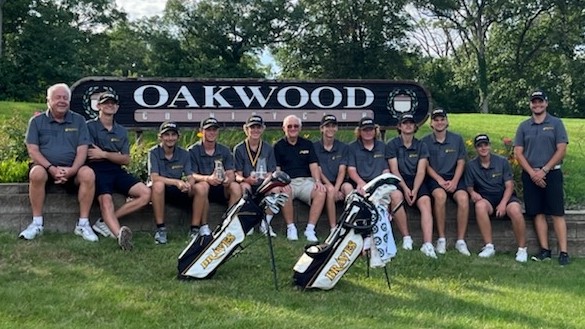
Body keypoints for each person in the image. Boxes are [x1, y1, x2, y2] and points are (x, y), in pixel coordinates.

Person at [20, 83, 97, 242]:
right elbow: (33, 150)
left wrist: (72, 170)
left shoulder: (79, 121)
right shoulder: (36, 121)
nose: (62, 101)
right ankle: (37, 224)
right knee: (36, 173)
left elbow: (83, 149)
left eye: (65, 98)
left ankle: (83, 224)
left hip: (73, 169)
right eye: (58, 97)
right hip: (45, 168)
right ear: (48, 100)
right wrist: (51, 168)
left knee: (88, 174)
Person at [87, 92, 151, 251]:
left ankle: (105, 221)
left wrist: (104, 154)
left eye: (113, 103)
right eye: (106, 103)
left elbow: (126, 160)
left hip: (116, 170)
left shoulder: (121, 130)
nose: (110, 105)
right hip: (97, 170)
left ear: (117, 107)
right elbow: (90, 154)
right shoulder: (89, 126)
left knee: (145, 193)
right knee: (106, 200)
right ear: (98, 106)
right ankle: (119, 236)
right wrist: (114, 156)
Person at [514, 90, 570, 265]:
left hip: (551, 173)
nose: (537, 105)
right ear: (530, 104)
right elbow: (518, 152)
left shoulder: (556, 123)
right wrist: (532, 173)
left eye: (540, 102)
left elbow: (561, 149)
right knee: (537, 213)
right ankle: (545, 250)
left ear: (546, 103)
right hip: (531, 175)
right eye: (534, 102)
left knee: (556, 213)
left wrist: (544, 170)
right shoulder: (524, 126)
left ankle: (564, 253)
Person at [347, 117, 412, 250]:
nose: (368, 132)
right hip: (361, 183)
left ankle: (406, 237)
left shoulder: (383, 146)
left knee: (397, 195)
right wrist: (362, 184)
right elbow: (351, 170)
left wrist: (379, 186)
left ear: (375, 130)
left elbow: (386, 169)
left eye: (370, 129)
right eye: (365, 130)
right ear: (359, 131)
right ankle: (360, 236)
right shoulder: (352, 147)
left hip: (380, 184)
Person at [465, 134, 527, 262]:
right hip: (486, 197)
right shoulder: (471, 166)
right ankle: (489, 246)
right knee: (480, 206)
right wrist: (472, 193)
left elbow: (509, 185)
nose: (483, 148)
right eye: (480, 146)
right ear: (476, 149)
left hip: (505, 196)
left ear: (490, 146)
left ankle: (522, 249)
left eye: (485, 145)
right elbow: (469, 186)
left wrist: (503, 203)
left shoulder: (502, 161)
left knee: (515, 210)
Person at [421, 108, 471, 256]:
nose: (439, 122)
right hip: (435, 179)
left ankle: (460, 241)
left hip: (454, 177)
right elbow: (426, 165)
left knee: (463, 198)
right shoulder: (425, 141)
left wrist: (455, 181)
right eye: (436, 120)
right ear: (431, 123)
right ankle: (441, 239)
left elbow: (461, 161)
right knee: (440, 197)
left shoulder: (457, 139)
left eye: (442, 119)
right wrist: (439, 180)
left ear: (447, 121)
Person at [387, 114, 436, 258]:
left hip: (417, 180)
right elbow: (394, 170)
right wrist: (406, 189)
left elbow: (422, 170)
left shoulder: (421, 145)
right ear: (399, 126)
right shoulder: (392, 144)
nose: (408, 126)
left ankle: (427, 244)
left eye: (411, 123)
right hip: (398, 180)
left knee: (426, 202)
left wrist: (414, 189)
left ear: (415, 127)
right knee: (396, 197)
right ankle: (406, 237)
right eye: (405, 123)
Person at [274, 115, 325, 242]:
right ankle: (291, 228)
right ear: (284, 128)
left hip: (306, 181)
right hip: (288, 182)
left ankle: (310, 229)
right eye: (289, 126)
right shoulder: (278, 146)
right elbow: (277, 169)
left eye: (296, 126)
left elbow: (314, 166)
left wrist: (318, 181)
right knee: (284, 192)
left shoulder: (307, 144)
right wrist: (281, 183)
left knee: (321, 192)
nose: (293, 128)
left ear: (300, 128)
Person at [188, 117, 241, 239]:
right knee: (203, 186)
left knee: (236, 187)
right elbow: (191, 174)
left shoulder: (224, 150)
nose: (212, 133)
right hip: (201, 188)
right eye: (208, 130)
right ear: (202, 131)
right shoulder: (193, 150)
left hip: (221, 187)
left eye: (214, 130)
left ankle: (228, 223)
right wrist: (207, 178)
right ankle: (202, 226)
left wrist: (227, 179)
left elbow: (231, 173)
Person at [147, 121, 195, 244]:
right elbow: (155, 178)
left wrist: (189, 184)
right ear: (161, 137)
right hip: (159, 191)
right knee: (158, 185)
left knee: (201, 188)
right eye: (166, 135)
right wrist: (177, 182)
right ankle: (161, 229)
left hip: (177, 191)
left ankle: (197, 229)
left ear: (178, 137)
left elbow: (190, 176)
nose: (170, 138)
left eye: (173, 135)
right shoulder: (153, 152)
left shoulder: (184, 153)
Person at [233, 115, 278, 236]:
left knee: (276, 188)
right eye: (252, 127)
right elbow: (237, 174)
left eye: (258, 127)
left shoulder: (268, 148)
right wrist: (246, 179)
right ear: (246, 129)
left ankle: (266, 223)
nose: (255, 130)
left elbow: (271, 172)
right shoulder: (239, 148)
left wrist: (266, 181)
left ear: (263, 129)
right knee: (244, 187)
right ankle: (248, 223)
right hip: (247, 182)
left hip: (263, 183)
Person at [313, 114, 353, 231]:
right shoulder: (314, 147)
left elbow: (342, 170)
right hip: (323, 182)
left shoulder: (343, 147)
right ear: (321, 129)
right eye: (327, 126)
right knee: (329, 191)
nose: (330, 129)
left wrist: (337, 188)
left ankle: (350, 224)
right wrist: (332, 189)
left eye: (333, 126)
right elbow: (318, 170)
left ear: (336, 128)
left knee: (349, 188)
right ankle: (333, 227)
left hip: (340, 182)